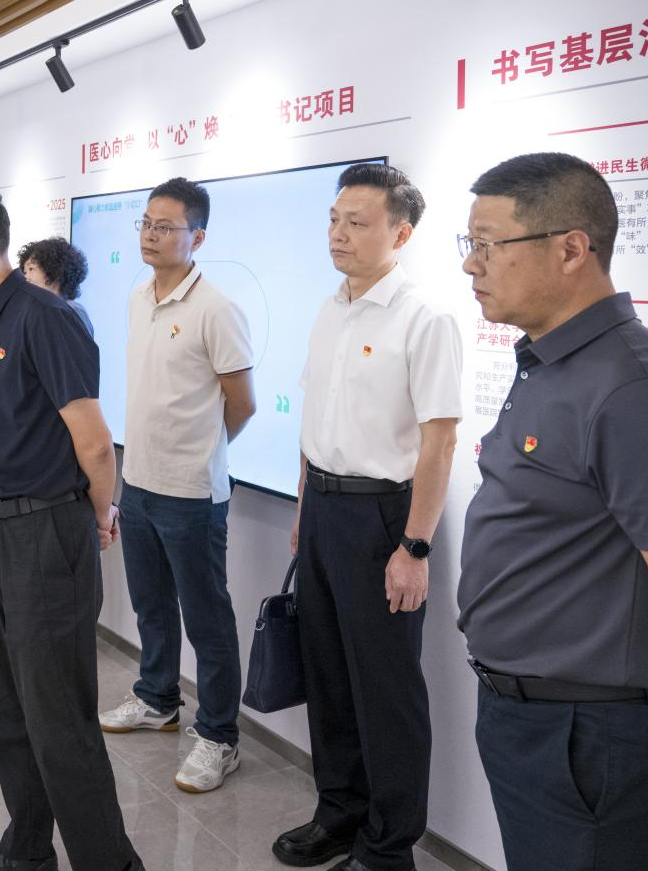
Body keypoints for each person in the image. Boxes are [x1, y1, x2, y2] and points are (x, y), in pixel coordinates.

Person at [457, 152, 648, 871]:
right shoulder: (550, 361)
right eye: (470, 244)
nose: (471, 265)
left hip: (598, 737)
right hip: (532, 719)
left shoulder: (638, 390)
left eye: (489, 244)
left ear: (570, 249)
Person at [0, 182, 143, 871]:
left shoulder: (46, 318)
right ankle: (26, 851)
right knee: (10, 709)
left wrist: (98, 515)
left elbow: (95, 443)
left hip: (47, 532)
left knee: (60, 723)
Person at [273, 164, 462, 871]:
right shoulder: (332, 307)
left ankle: (388, 847)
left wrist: (415, 546)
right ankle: (340, 814)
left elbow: (439, 442)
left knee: (385, 690)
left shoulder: (424, 317)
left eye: (357, 222)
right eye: (333, 219)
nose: (338, 233)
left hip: (384, 518)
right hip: (324, 510)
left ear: (400, 233)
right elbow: (314, 421)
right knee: (327, 675)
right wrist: (304, 511)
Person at [97, 177, 256, 795]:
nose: (151, 235)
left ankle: (219, 735)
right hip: (138, 480)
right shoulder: (139, 296)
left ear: (198, 237)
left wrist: (203, 451)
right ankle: (158, 699)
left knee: (207, 619)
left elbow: (241, 404)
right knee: (151, 605)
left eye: (166, 227)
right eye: (145, 223)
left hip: (191, 493)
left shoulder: (216, 308)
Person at [19, 237, 94, 335]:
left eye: (31, 269)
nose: (26, 277)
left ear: (53, 271)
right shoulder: (38, 311)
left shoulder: (73, 311)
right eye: (25, 272)